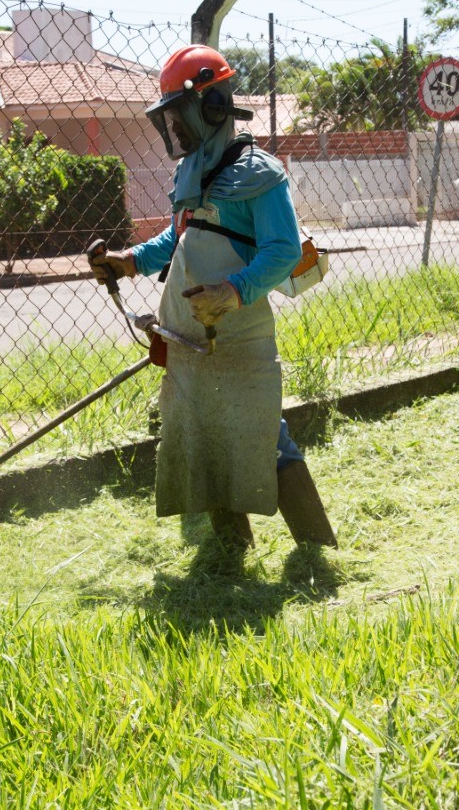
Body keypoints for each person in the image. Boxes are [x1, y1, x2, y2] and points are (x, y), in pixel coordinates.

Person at [89, 44, 336, 552]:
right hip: (188, 332)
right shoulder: (193, 171)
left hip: (238, 332)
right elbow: (179, 238)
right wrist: (128, 261)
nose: (174, 130)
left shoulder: (258, 172)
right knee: (207, 435)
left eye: (180, 116)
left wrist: (235, 291)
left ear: (212, 106)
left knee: (262, 432)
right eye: (170, 120)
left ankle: (316, 550)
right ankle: (232, 550)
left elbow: (284, 250)